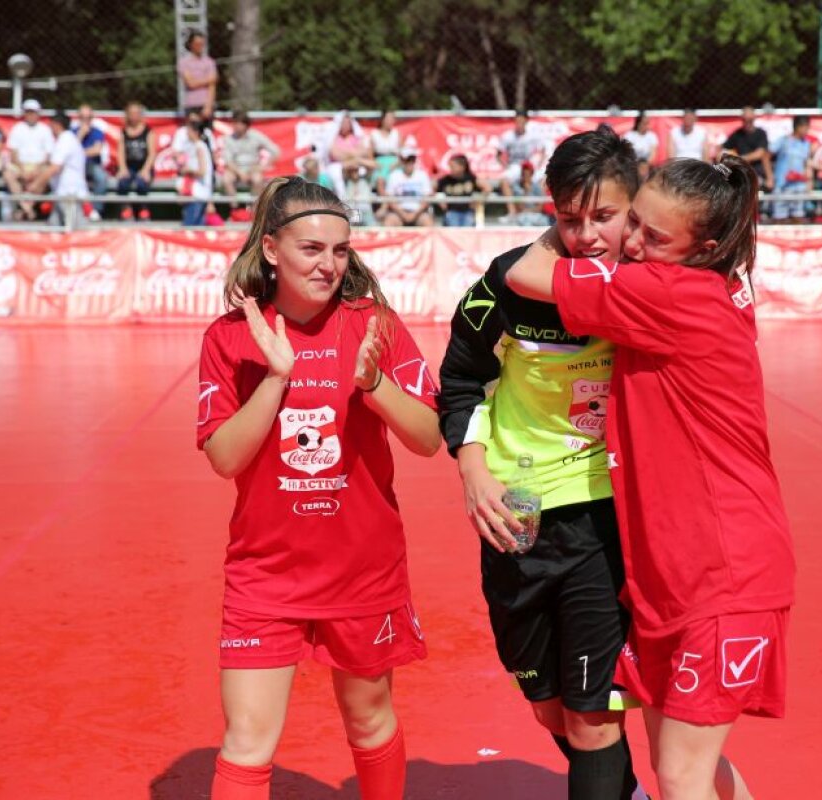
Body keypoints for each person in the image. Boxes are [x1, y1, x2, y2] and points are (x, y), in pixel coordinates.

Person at [505, 155, 795, 800]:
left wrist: (567, 225)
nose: (631, 243)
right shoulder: (712, 281)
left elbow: (523, 273)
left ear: (705, 248)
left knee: (681, 773)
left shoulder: (668, 291)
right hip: (674, 577)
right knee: (690, 762)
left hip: (723, 573)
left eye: (653, 237)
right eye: (632, 222)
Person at [197, 175, 440, 800]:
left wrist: (373, 386)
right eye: (311, 249)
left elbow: (427, 437)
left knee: (368, 718)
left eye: (340, 250)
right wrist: (276, 378)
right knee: (247, 741)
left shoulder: (374, 326)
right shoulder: (230, 338)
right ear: (272, 249)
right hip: (265, 575)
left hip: (362, 571)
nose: (329, 264)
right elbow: (225, 457)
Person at [438, 125, 649, 800]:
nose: (588, 235)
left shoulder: (653, 287)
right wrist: (474, 472)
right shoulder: (506, 285)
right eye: (569, 218)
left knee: (593, 718)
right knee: (548, 707)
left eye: (605, 217)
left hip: (600, 517)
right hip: (516, 516)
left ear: (635, 208)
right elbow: (459, 381)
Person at [221, 110, 281, 222]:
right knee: (226, 179)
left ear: (245, 124)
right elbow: (228, 161)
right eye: (234, 123)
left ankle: (253, 211)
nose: (235, 126)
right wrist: (240, 172)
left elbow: (275, 151)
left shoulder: (256, 136)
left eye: (238, 123)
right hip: (235, 168)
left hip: (253, 167)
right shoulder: (228, 139)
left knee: (258, 179)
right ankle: (235, 210)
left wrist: (262, 167)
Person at [31, 112, 88, 226]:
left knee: (75, 229)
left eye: (51, 125)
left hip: (69, 194)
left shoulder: (65, 141)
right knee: (54, 227)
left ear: (57, 125)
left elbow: (54, 168)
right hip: (62, 193)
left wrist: (36, 184)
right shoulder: (67, 139)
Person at [2, 99, 54, 221]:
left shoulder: (45, 130)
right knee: (8, 174)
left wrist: (36, 169)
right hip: (20, 165)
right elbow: (13, 153)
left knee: (46, 174)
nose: (31, 115)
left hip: (38, 165)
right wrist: (22, 169)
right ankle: (27, 208)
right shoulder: (18, 128)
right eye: (28, 112)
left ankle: (26, 208)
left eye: (33, 112)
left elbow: (48, 154)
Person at [116, 101, 157, 222]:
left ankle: (143, 209)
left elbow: (152, 153)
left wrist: (145, 170)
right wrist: (123, 168)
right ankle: (126, 209)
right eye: (131, 113)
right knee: (123, 182)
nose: (134, 116)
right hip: (130, 166)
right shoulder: (124, 132)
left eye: (136, 113)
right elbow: (121, 152)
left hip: (144, 165)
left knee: (141, 183)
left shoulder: (148, 132)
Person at [771, 115, 813, 223]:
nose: (807, 130)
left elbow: (806, 163)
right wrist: (770, 176)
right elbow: (767, 154)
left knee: (798, 217)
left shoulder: (806, 144)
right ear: (798, 127)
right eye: (806, 127)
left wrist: (809, 180)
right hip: (782, 184)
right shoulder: (783, 141)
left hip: (799, 186)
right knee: (779, 218)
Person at [722, 106, 774, 191]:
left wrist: (740, 159)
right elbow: (724, 149)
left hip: (757, 172)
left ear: (754, 119)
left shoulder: (761, 134)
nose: (747, 123)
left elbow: (760, 153)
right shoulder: (737, 134)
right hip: (741, 171)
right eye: (745, 120)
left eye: (750, 120)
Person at [176, 113, 214, 226]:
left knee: (189, 228)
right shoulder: (199, 146)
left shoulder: (199, 147)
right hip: (199, 194)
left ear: (196, 132)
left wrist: (187, 170)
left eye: (189, 131)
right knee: (198, 228)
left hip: (197, 194)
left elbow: (202, 171)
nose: (187, 133)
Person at [498, 110, 545, 201]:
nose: (519, 124)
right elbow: (498, 154)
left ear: (526, 122)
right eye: (517, 121)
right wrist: (506, 166)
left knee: (544, 180)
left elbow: (543, 150)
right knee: (504, 182)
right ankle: (513, 211)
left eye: (521, 122)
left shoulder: (533, 136)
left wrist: (539, 165)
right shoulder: (508, 136)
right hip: (514, 166)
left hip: (529, 166)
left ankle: (538, 209)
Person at [72, 104, 108, 220]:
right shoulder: (72, 132)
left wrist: (78, 152)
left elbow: (96, 151)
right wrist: (81, 135)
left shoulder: (97, 132)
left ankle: (96, 211)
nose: (85, 120)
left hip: (91, 164)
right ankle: (76, 212)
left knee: (101, 177)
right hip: (75, 166)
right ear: (78, 117)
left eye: (88, 117)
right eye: (82, 117)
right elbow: (69, 151)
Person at [380, 150, 432, 227]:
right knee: (389, 221)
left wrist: (415, 214)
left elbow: (427, 198)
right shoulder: (394, 176)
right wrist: (403, 214)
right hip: (398, 212)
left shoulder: (422, 175)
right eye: (407, 160)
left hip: (418, 212)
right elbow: (390, 198)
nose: (409, 163)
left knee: (427, 222)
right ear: (402, 161)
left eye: (412, 160)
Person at [436, 153, 484, 227]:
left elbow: (487, 188)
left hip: (467, 211)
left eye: (453, 167)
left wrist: (476, 202)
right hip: (452, 211)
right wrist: (441, 202)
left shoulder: (471, 178)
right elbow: (434, 190)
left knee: (467, 229)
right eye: (450, 167)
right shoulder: (445, 180)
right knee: (453, 226)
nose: (451, 169)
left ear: (462, 167)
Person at [179, 31, 218, 119]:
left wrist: (208, 106)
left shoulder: (209, 62)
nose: (200, 46)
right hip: (191, 104)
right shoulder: (184, 62)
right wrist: (208, 80)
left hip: (206, 105)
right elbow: (190, 83)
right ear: (191, 44)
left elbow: (212, 86)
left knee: (207, 132)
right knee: (193, 131)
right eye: (197, 44)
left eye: (202, 44)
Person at [370, 110, 402, 194]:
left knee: (396, 179)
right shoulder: (374, 133)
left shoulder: (396, 133)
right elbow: (371, 153)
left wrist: (397, 163)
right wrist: (374, 163)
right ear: (382, 120)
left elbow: (402, 152)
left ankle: (388, 205)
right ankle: (386, 204)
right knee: (380, 180)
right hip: (380, 163)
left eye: (393, 118)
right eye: (389, 118)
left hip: (395, 163)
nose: (391, 121)